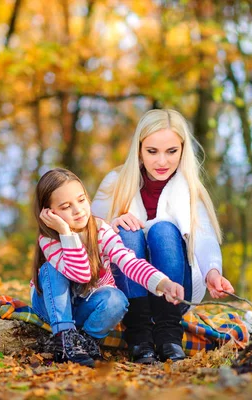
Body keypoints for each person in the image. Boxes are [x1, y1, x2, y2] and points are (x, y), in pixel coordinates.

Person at [91, 109, 234, 363]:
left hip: (177, 287)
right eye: (152, 151)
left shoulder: (188, 188)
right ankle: (140, 337)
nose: (162, 162)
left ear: (182, 150)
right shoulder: (116, 182)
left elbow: (204, 237)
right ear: (139, 150)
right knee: (129, 230)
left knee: (163, 229)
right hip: (128, 287)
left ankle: (168, 334)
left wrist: (213, 271)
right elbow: (89, 233)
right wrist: (111, 226)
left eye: (171, 151)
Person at [31, 168, 184, 367]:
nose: (78, 210)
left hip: (85, 306)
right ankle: (64, 338)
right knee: (51, 271)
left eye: (81, 200)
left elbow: (129, 262)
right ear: (49, 213)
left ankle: (85, 341)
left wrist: (163, 283)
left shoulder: (101, 230)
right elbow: (81, 274)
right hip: (52, 307)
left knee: (116, 299)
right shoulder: (50, 239)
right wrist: (65, 232)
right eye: (66, 206)